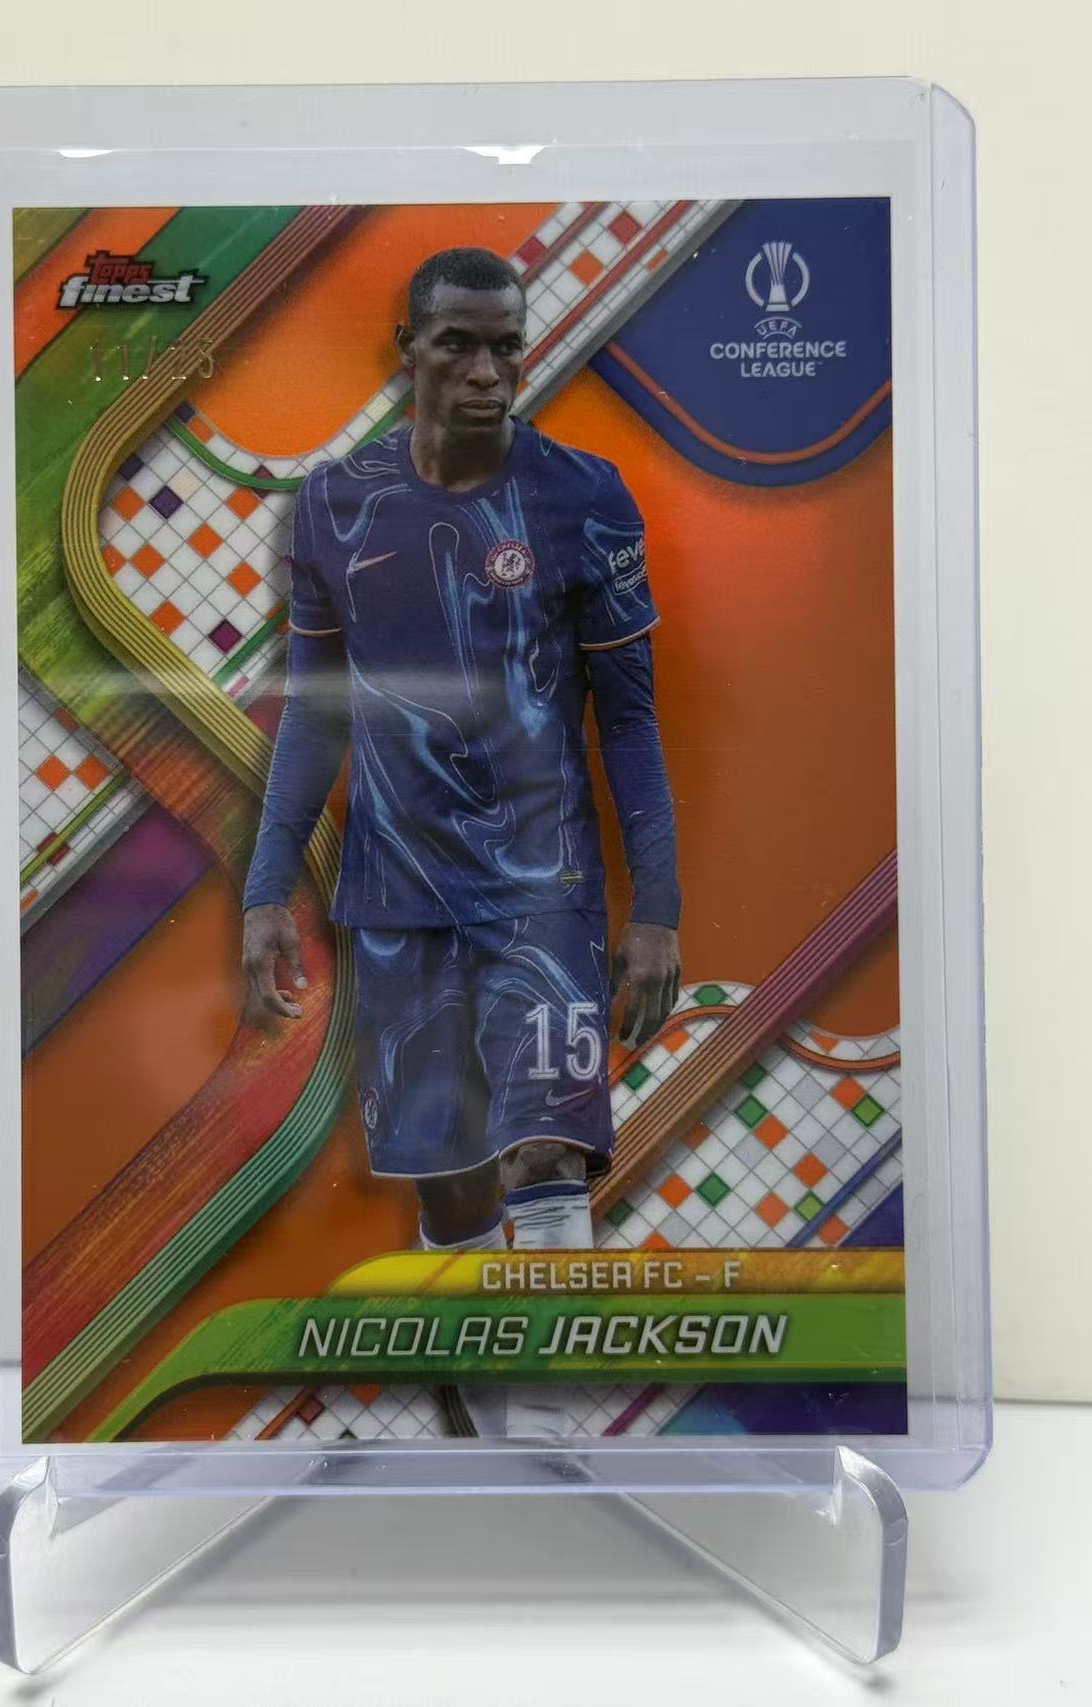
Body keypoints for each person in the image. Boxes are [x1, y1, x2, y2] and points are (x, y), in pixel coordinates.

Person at [242, 246, 682, 1438]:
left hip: (542, 892)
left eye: (505, 347)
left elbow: (628, 717)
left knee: (546, 1157)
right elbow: (313, 715)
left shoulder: (584, 499)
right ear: (410, 352)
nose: (487, 371)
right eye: (459, 345)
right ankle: (494, 1440)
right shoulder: (336, 505)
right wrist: (267, 886)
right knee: (451, 1196)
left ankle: (547, 1443)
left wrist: (655, 907)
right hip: (395, 897)